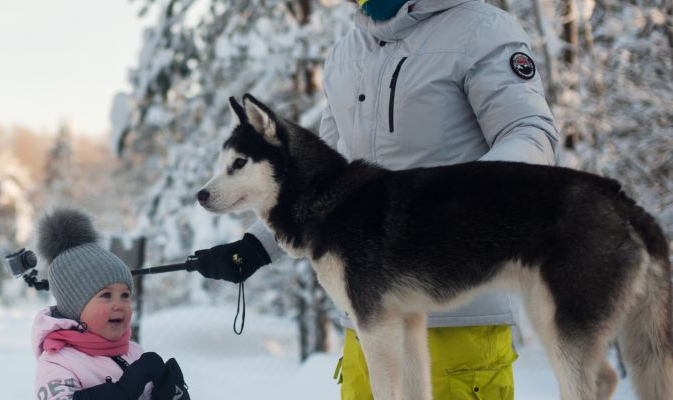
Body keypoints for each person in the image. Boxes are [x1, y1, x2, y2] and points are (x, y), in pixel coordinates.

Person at [191, 0, 560, 399]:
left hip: (456, 320)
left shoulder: (480, 28)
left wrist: (455, 207)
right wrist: (258, 246)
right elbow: (313, 181)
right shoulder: (346, 52)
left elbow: (531, 133)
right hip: (366, 325)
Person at [32, 209, 190, 400]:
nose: (119, 305)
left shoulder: (133, 351)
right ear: (75, 307)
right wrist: (124, 390)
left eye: (125, 295)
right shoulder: (58, 361)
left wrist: (170, 395)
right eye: (106, 295)